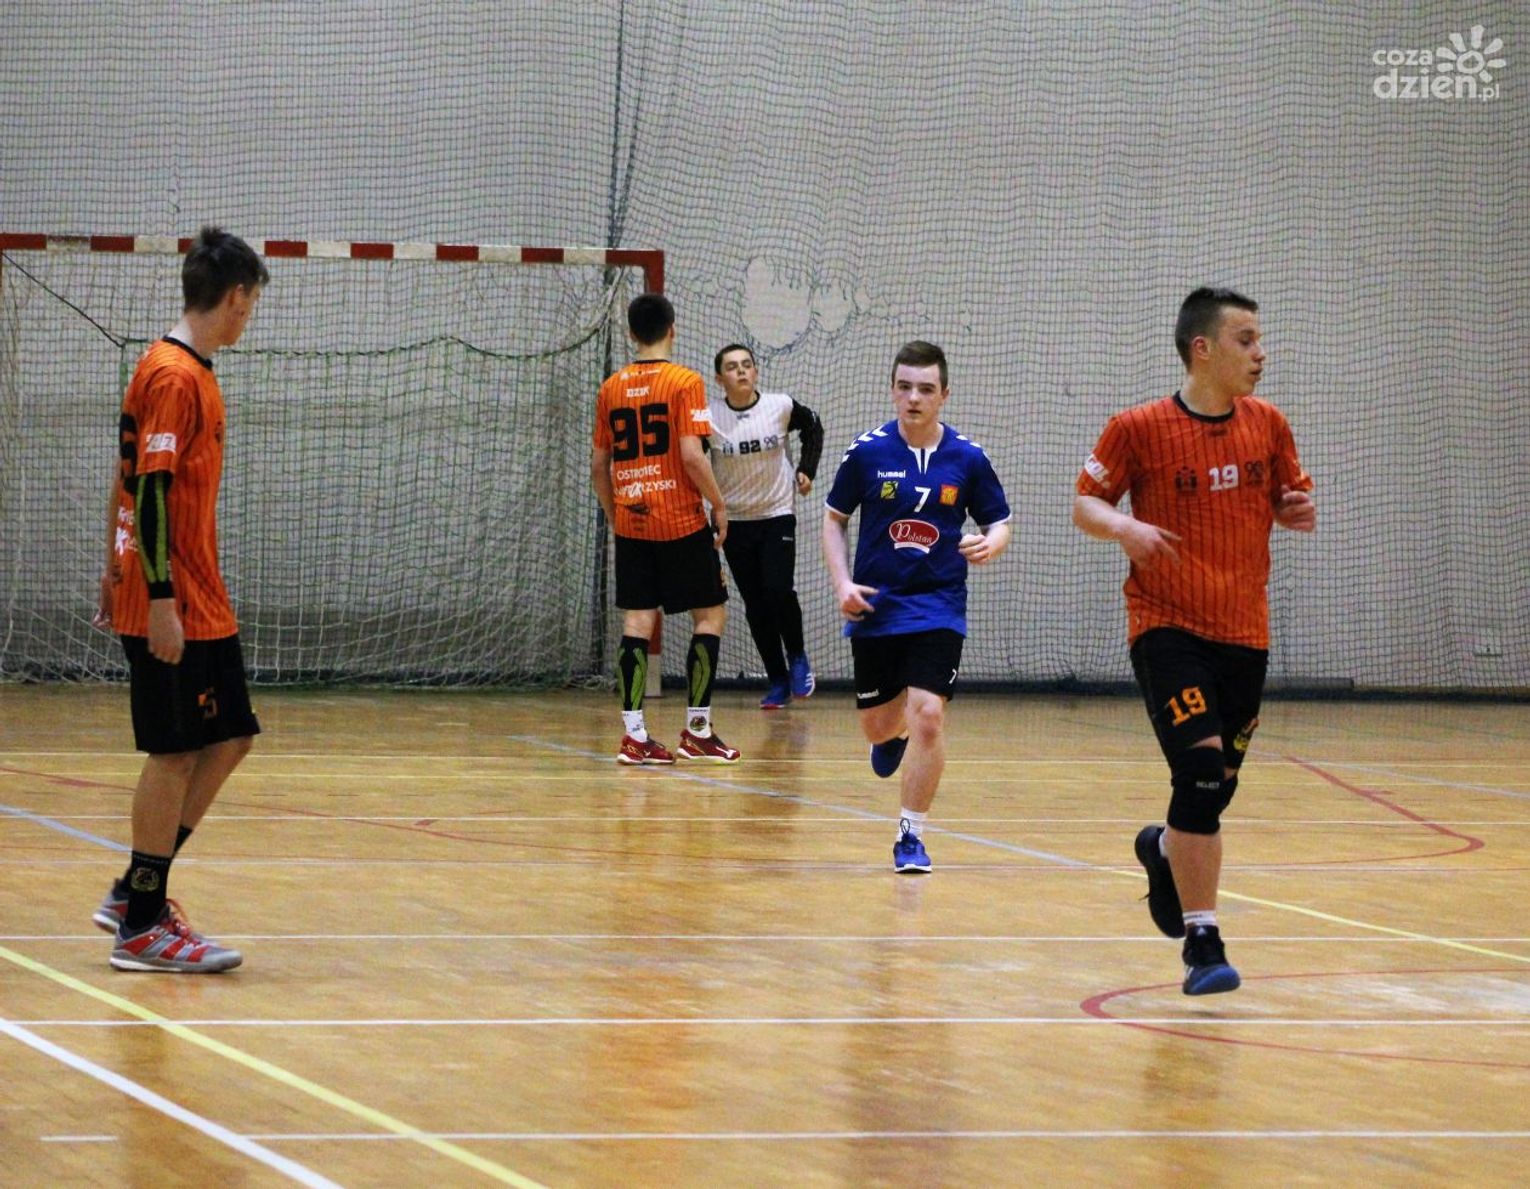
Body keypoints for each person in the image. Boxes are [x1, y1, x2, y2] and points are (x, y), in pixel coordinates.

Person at [1073, 286, 1316, 996]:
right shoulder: (1137, 427)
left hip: (1245, 632)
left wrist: (1293, 509)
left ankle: (1162, 848)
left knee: (1216, 790)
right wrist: (1124, 526)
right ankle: (1203, 943)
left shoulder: (1269, 424)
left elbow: (1287, 496)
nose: (1260, 353)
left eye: (1259, 339)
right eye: (1246, 340)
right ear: (1202, 349)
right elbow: (1085, 502)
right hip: (1166, 626)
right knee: (1202, 772)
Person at [90, 226, 268, 973]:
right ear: (235, 297)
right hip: (176, 597)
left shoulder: (183, 369)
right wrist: (156, 596)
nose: (249, 316)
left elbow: (126, 480)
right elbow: (153, 490)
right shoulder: (174, 376)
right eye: (251, 303)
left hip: (196, 592)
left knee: (231, 736)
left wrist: (113, 565)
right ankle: (141, 924)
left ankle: (137, 888)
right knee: (174, 752)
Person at [822, 340, 1010, 873]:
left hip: (938, 604)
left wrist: (992, 543)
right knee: (879, 728)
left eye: (925, 389)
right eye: (904, 387)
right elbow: (834, 519)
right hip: (877, 605)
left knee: (928, 715)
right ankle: (893, 733)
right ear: (892, 390)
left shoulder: (968, 458)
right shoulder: (867, 453)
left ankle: (911, 834)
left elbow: (999, 521)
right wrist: (842, 583)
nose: (913, 398)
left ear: (943, 394)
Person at [592, 293, 741, 765]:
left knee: (637, 623)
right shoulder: (685, 381)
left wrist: (616, 516)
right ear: (672, 329)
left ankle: (635, 736)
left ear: (631, 333)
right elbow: (692, 455)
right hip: (679, 519)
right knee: (709, 616)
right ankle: (697, 730)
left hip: (632, 520)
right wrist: (719, 504)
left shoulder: (610, 388)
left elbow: (598, 465)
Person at [707, 343, 824, 709]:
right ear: (720, 378)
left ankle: (798, 655)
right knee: (755, 604)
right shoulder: (708, 417)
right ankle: (777, 680)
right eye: (732, 367)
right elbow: (692, 459)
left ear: (756, 372)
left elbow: (813, 426)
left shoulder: (780, 406)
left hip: (777, 513)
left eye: (747, 365)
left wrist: (806, 469)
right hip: (734, 521)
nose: (741, 371)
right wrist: (707, 505)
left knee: (778, 589)